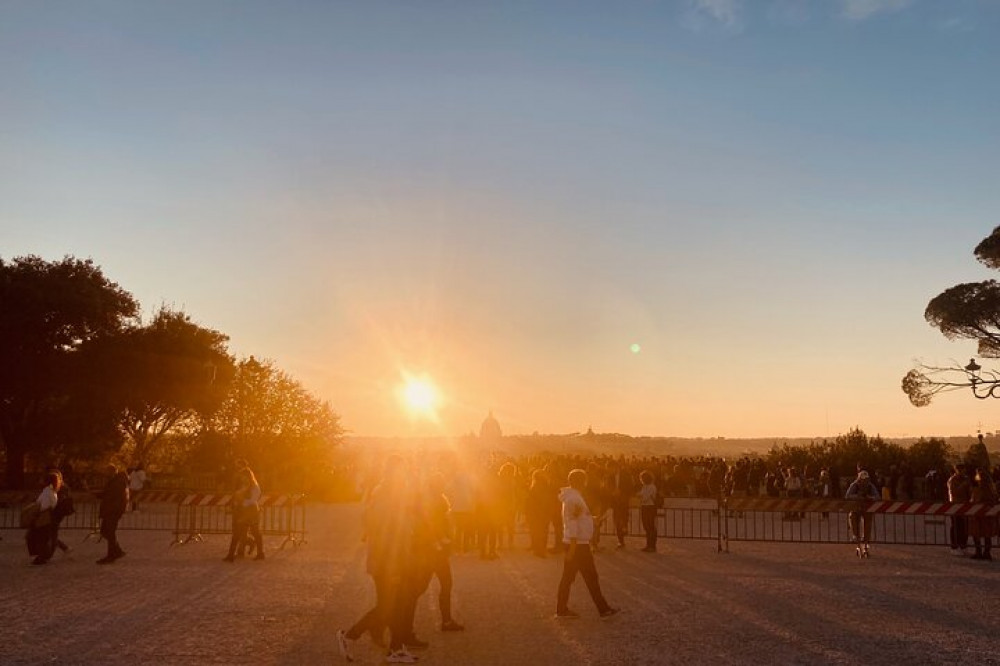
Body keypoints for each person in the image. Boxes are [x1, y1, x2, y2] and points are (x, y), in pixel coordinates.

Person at [337, 455, 422, 664]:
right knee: (389, 606)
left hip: (392, 557)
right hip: (388, 560)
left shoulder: (388, 495)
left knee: (394, 605)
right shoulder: (387, 497)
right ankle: (350, 636)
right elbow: (385, 532)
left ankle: (395, 648)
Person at [555, 469, 619, 619]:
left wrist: (592, 519)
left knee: (570, 577)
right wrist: (572, 547)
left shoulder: (572, 497)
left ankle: (562, 609)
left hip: (576, 543)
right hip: (578, 545)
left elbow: (577, 519)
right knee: (588, 577)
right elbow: (572, 523)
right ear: (582, 481)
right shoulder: (574, 499)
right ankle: (603, 609)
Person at [98, 464, 129, 564]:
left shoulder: (117, 483)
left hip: (112, 511)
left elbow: (111, 496)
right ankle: (117, 551)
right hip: (111, 510)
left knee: (109, 532)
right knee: (106, 532)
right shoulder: (116, 482)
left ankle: (112, 555)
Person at [844, 470, 880, 557]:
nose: (864, 482)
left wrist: (870, 497)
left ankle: (866, 540)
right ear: (859, 479)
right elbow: (847, 495)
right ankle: (856, 536)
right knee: (852, 518)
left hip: (867, 509)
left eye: (866, 480)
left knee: (868, 523)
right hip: (856, 508)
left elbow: (877, 496)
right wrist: (857, 496)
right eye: (863, 480)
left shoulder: (870, 486)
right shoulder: (854, 485)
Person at [28, 472, 61, 565]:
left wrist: (36, 510)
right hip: (48, 517)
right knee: (43, 537)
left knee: (39, 537)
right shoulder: (53, 491)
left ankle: (41, 556)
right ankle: (43, 555)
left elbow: (44, 506)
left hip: (43, 517)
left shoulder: (47, 491)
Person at [608, 462, 635, 549]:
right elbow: (608, 487)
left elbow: (630, 486)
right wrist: (612, 492)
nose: (610, 470)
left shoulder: (625, 475)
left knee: (624, 517)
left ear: (616, 467)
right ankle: (621, 541)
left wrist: (622, 492)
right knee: (616, 520)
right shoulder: (610, 477)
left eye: (611, 468)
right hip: (615, 501)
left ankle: (624, 528)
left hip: (623, 500)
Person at [638, 470, 658, 553]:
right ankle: (648, 545)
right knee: (646, 527)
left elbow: (645, 498)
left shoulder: (652, 487)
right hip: (645, 507)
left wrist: (640, 499)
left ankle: (652, 546)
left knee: (651, 527)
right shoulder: (645, 486)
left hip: (650, 507)